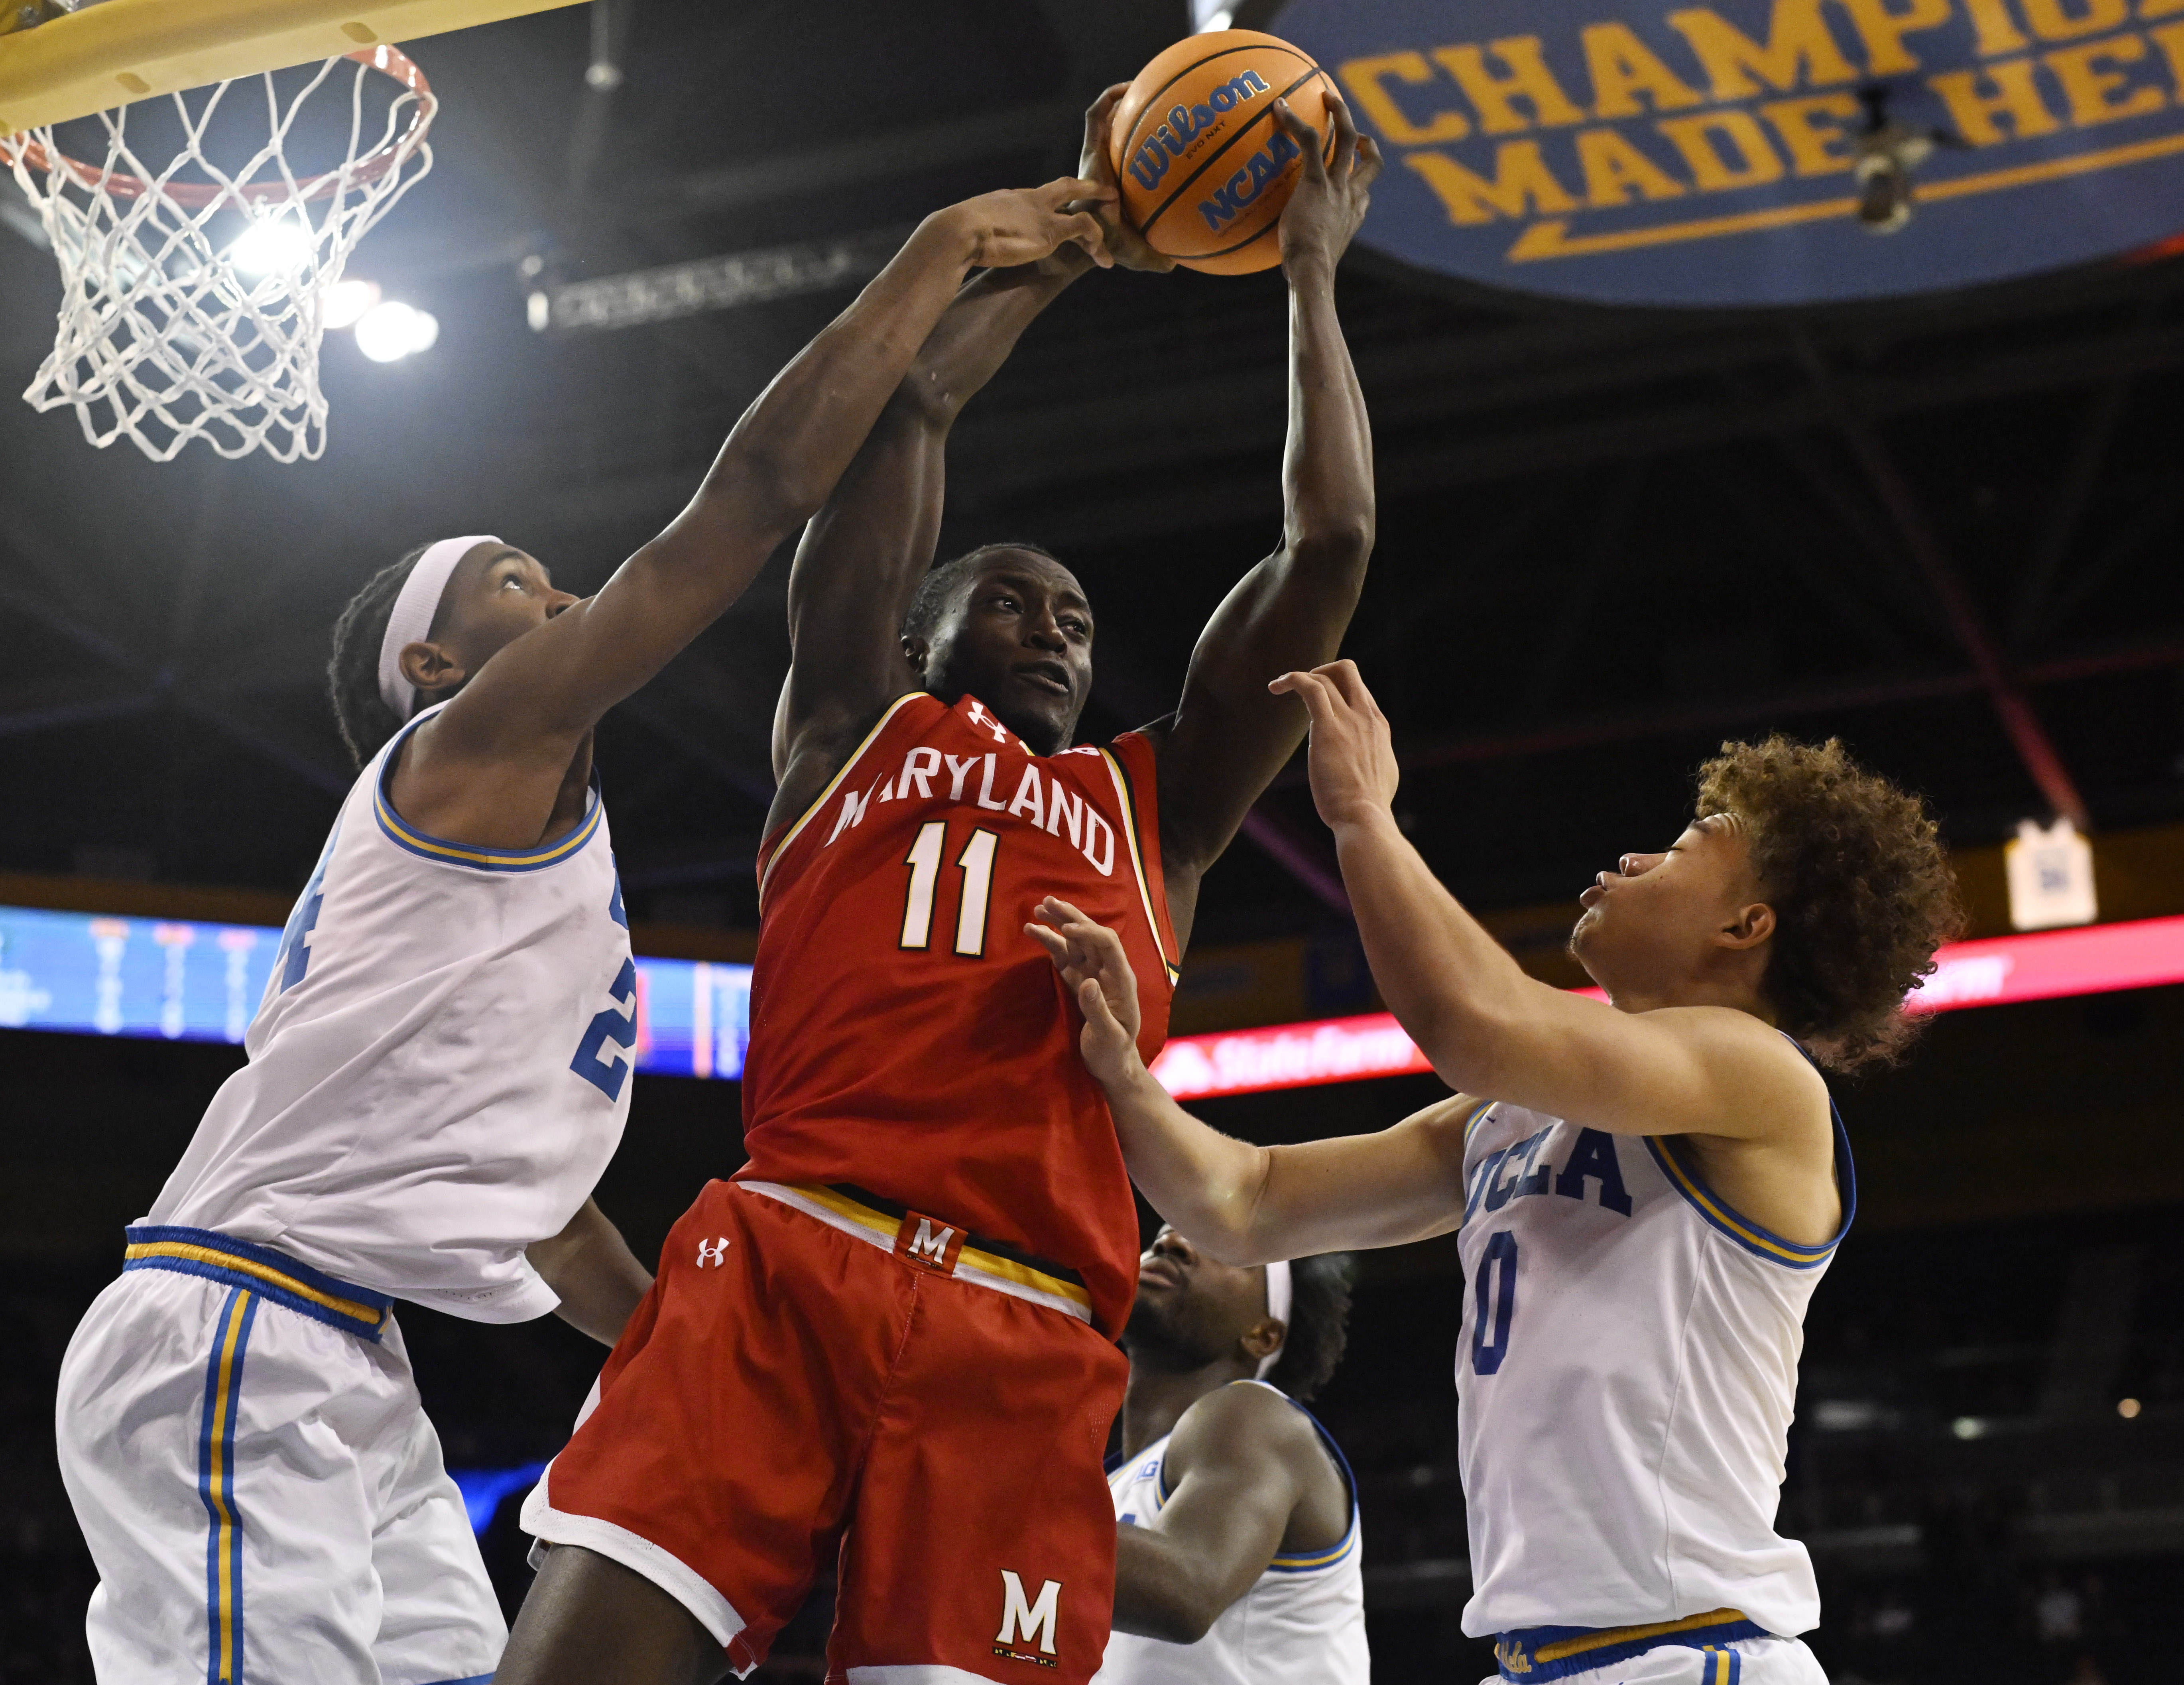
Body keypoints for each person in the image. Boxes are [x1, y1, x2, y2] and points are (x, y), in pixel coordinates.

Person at [51, 179, 1116, 1685]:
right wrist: (947, 245)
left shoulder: (507, 882)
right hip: (233, 1319)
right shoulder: (467, 747)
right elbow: (750, 502)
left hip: (344, 1347)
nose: (558, 588)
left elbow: (549, 1224)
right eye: (510, 581)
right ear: (436, 660)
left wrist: (749, 1392)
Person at [500, 89, 1381, 1685]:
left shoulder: (1155, 813)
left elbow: (1328, 546)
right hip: (786, 1259)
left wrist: (1310, 274)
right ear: (924, 629)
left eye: (1080, 621)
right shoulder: (851, 724)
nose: (1058, 630)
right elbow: (906, 412)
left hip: (1021, 1330)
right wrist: (1060, 252)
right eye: (1015, 604)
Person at [1030, 660, 1964, 1685]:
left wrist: (1361, 820)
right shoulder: (1508, 1115)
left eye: (1678, 850)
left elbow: (1474, 1021)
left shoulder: (1762, 1077)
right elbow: (1244, 1200)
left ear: (1746, 925)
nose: (1631, 854)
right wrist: (1121, 1072)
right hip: (1539, 1660)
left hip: (1691, 1654)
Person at [1096, 1226, 1367, 1685]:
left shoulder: (1256, 1416)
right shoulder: (1099, 1487)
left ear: (1263, 1334)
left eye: (1220, 1248)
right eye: (1162, 1232)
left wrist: (979, 1507)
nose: (1172, 1242)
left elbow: (1187, 1589)